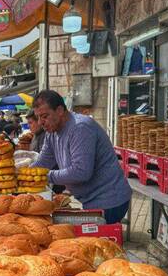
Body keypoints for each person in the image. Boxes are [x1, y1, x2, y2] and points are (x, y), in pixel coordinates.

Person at [32, 90, 131, 224]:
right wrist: (24, 175)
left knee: (95, 242)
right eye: (38, 117)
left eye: (44, 116)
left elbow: (81, 172)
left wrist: (44, 176)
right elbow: (44, 161)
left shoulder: (80, 128)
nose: (40, 122)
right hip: (88, 199)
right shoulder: (52, 132)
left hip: (108, 200)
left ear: (60, 110)